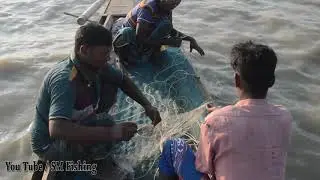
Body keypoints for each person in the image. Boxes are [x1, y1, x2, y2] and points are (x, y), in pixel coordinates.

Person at [30, 22, 161, 180]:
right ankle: (79, 167)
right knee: (107, 132)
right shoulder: (65, 79)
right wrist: (112, 133)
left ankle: (92, 154)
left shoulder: (94, 65)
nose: (108, 58)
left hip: (74, 121)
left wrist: (147, 105)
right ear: (84, 50)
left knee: (106, 119)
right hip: (49, 144)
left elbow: (123, 80)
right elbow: (57, 129)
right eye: (104, 53)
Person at [158, 41, 292, 180]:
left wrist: (219, 115)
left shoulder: (214, 121)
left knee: (172, 146)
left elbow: (203, 167)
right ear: (272, 81)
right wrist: (222, 114)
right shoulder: (284, 117)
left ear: (237, 80)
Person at [112, 0, 205, 65]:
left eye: (177, 1)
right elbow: (139, 38)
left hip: (145, 40)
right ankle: (124, 60)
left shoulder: (167, 9)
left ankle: (149, 53)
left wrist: (190, 39)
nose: (175, 3)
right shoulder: (147, 9)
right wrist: (167, 42)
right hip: (130, 42)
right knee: (126, 32)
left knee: (166, 25)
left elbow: (170, 30)